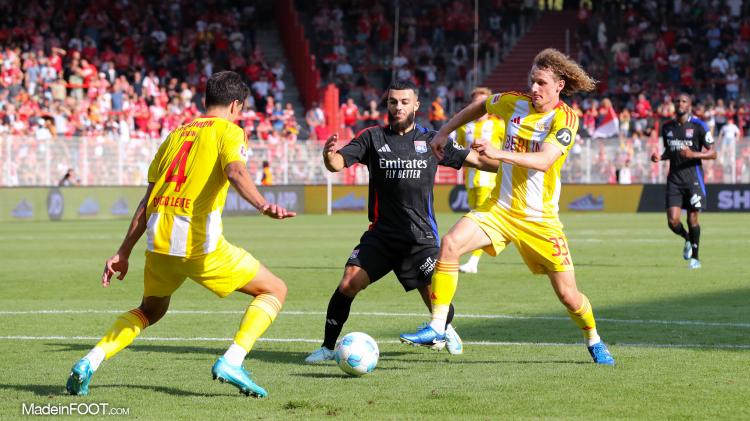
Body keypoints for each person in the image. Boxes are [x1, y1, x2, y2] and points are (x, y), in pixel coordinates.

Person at [65, 71, 295, 398]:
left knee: (149, 311)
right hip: (199, 247)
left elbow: (148, 200)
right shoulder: (230, 131)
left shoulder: (176, 134)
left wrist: (123, 252)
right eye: (241, 110)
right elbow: (235, 170)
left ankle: (91, 359)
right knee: (274, 289)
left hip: (157, 243)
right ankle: (233, 359)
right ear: (235, 105)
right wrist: (262, 204)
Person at [400, 49, 616, 365]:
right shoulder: (514, 102)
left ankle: (594, 339)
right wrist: (445, 132)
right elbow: (480, 106)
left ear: (559, 85)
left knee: (569, 296)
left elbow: (543, 161)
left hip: (540, 220)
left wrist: (498, 153)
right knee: (449, 244)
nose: (535, 88)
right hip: (499, 209)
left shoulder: (565, 118)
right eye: (532, 81)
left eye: (542, 83)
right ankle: (438, 325)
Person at [304, 80, 499, 363]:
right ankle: (326, 347)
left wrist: (506, 156)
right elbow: (336, 164)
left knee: (435, 298)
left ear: (416, 105)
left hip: (420, 238)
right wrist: (327, 155)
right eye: (393, 102)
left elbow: (483, 164)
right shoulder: (371, 138)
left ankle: (446, 328)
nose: (398, 107)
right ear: (387, 105)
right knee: (348, 283)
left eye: (404, 102)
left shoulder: (434, 139)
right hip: (382, 235)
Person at [650, 93, 716, 269]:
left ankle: (695, 258)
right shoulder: (667, 127)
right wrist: (660, 157)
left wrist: (694, 154)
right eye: (677, 101)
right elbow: (671, 151)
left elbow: (713, 152)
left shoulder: (699, 126)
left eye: (684, 101)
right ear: (674, 104)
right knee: (672, 221)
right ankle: (687, 238)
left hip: (693, 179)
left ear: (690, 105)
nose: (680, 103)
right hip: (674, 180)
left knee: (692, 219)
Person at [450, 87, 506, 274]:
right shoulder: (465, 127)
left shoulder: (498, 125)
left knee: (481, 219)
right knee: (475, 215)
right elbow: (458, 147)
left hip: (490, 178)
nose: (480, 107)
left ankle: (473, 261)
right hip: (471, 178)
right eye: (476, 103)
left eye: (483, 102)